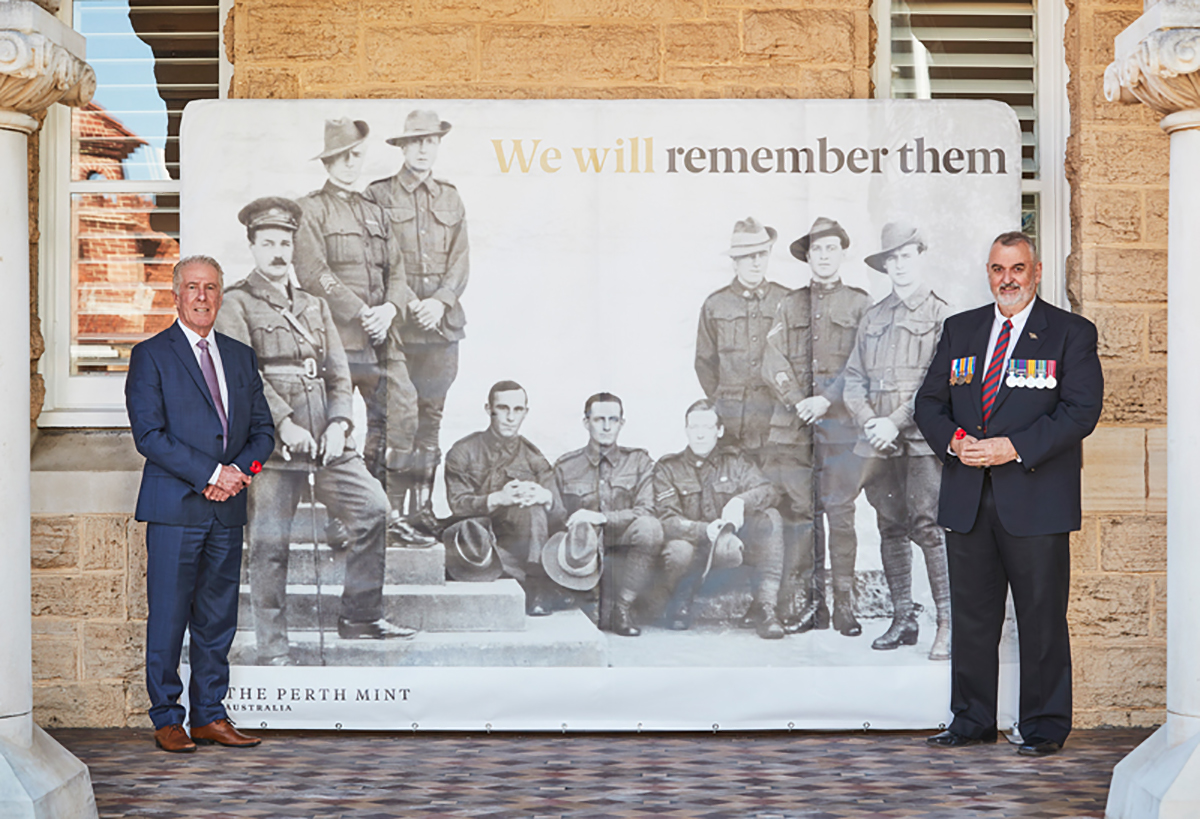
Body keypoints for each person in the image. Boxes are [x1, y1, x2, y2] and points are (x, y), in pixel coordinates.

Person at [916, 231, 1103, 757]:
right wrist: (955, 443)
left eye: (1017, 268)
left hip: (1036, 499)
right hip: (968, 497)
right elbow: (929, 403)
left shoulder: (1069, 334)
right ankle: (971, 720)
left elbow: (1080, 412)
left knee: (1041, 616)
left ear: (1036, 271)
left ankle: (1043, 726)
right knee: (972, 617)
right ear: (989, 272)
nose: (1008, 279)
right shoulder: (961, 329)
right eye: (998, 269)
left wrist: (1011, 447)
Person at [217, 197, 417, 667]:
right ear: (252, 247)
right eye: (267, 243)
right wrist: (283, 422)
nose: (278, 252)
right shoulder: (235, 303)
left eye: (285, 242)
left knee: (373, 510)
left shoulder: (314, 305)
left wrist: (340, 422)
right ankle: (273, 647)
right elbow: (243, 377)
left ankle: (361, 617)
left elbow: (338, 375)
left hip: (325, 441)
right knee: (269, 545)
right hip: (270, 446)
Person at [126, 254, 275, 753]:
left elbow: (262, 433)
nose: (202, 297)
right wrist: (212, 474)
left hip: (226, 510)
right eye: (193, 287)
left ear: (221, 294)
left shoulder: (240, 356)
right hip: (175, 510)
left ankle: (210, 715)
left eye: (211, 287)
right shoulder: (151, 355)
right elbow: (149, 435)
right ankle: (168, 717)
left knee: (217, 620)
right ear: (176, 294)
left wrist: (238, 476)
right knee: (168, 618)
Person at [292, 118, 431, 547]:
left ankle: (379, 513)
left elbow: (398, 270)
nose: (350, 163)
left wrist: (389, 308)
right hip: (336, 338)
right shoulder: (310, 209)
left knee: (398, 417)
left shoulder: (376, 211)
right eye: (341, 156)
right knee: (336, 424)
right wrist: (361, 310)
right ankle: (341, 516)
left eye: (356, 155)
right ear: (329, 159)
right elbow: (314, 273)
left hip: (381, 338)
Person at [842, 222, 952, 660]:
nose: (900, 264)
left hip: (921, 439)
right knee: (889, 527)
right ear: (884, 264)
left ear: (920, 256)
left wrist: (895, 421)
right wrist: (871, 420)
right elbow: (853, 379)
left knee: (927, 527)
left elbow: (938, 383)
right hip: (879, 442)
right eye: (892, 258)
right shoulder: (873, 317)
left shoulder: (942, 315)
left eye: (907, 255)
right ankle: (902, 617)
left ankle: (946, 625)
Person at [763, 217, 872, 636]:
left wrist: (827, 399)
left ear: (842, 253)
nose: (823, 256)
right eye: (816, 250)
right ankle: (814, 606)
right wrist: (798, 401)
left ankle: (844, 606)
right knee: (804, 518)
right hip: (795, 430)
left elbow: (863, 362)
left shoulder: (860, 305)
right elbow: (772, 360)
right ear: (807, 256)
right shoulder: (789, 304)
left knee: (841, 517)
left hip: (842, 426)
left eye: (830, 248)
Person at [365, 109, 468, 534]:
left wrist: (441, 302)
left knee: (430, 419)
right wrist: (409, 302)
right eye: (417, 141)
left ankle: (420, 509)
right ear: (403, 146)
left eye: (432, 141)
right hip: (397, 327)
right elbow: (374, 260)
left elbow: (461, 260)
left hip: (442, 327)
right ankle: (380, 511)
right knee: (388, 417)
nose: (425, 148)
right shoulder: (378, 196)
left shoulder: (451, 196)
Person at [653, 399, 786, 639]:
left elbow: (769, 491)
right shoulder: (668, 468)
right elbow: (666, 519)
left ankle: (766, 608)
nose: (700, 435)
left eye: (707, 427)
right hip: (690, 544)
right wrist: (703, 530)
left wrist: (740, 502)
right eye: (694, 427)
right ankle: (680, 599)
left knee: (771, 518)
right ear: (686, 430)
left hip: (729, 548)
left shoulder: (736, 462)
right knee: (678, 552)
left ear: (719, 430)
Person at [550, 393, 664, 637]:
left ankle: (623, 608)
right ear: (586, 422)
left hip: (625, 545)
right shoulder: (565, 466)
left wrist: (601, 517)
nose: (606, 426)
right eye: (599, 419)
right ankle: (583, 601)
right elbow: (557, 518)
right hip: (585, 552)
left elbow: (646, 510)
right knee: (587, 627)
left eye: (613, 419)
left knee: (650, 527)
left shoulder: (639, 462)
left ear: (621, 423)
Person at [442, 381, 559, 615]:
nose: (510, 417)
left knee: (535, 509)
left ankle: (534, 587)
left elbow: (560, 515)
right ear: (489, 409)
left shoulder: (533, 456)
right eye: (503, 408)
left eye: (517, 410)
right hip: (477, 538)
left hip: (514, 544)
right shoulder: (463, 451)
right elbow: (458, 504)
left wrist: (545, 497)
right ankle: (533, 579)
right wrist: (498, 498)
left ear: (525, 412)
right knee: (467, 537)